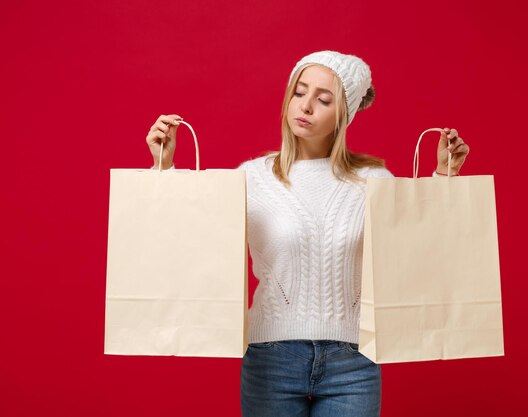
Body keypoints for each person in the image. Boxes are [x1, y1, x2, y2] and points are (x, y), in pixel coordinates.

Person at [145, 50, 469, 417]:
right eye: (300, 92)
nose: (307, 105)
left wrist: (444, 177)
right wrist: (165, 167)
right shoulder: (251, 177)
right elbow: (192, 243)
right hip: (272, 358)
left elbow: (420, 255)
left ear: (344, 113)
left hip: (354, 361)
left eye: (324, 98)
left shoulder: (374, 182)